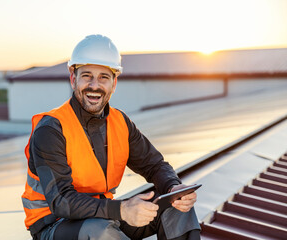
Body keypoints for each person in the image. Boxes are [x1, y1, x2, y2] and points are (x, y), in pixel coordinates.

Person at [21, 34, 201, 240]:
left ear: (114, 84)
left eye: (103, 77)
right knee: (100, 232)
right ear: (73, 79)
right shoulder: (51, 129)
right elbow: (61, 201)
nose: (94, 86)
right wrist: (122, 210)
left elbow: (154, 165)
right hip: (54, 225)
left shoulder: (120, 123)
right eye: (87, 75)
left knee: (176, 209)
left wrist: (173, 187)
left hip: (103, 214)